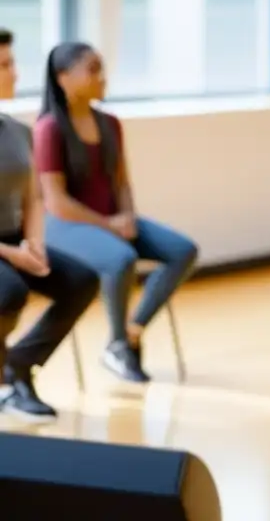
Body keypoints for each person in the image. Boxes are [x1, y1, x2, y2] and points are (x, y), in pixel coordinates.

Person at [33, 42, 198, 384]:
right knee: (120, 259)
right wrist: (109, 224)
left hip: (110, 220)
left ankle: (130, 333)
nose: (102, 78)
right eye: (92, 69)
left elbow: (122, 182)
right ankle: (119, 345)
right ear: (63, 78)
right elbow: (56, 201)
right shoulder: (49, 129)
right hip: (64, 225)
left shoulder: (110, 123)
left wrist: (127, 216)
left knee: (183, 250)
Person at [0, 29, 98, 421]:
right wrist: (15, 257)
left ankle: (18, 366)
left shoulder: (17, 131)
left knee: (81, 280)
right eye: (5, 65)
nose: (16, 73)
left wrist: (35, 243)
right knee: (9, 291)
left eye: (12, 63)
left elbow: (34, 197)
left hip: (17, 240)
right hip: (7, 252)